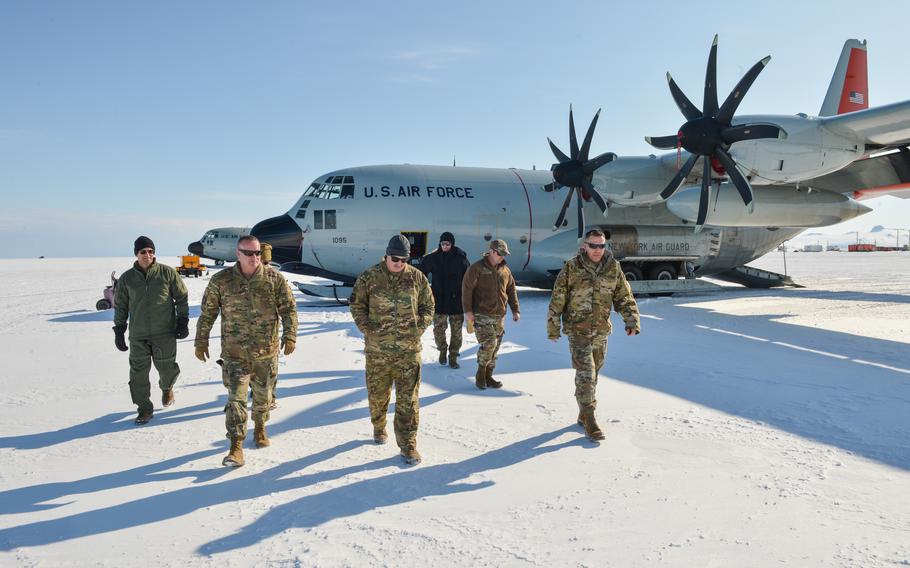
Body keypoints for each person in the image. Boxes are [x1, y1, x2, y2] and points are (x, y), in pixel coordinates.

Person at [194, 235, 298, 467]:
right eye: (249, 253)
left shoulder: (273, 279)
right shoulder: (222, 281)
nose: (254, 258)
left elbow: (289, 309)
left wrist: (290, 334)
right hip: (235, 354)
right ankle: (236, 447)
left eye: (258, 253)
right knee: (236, 401)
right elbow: (208, 312)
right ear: (238, 253)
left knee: (263, 399)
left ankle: (260, 427)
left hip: (266, 353)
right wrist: (201, 340)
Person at [546, 229, 641, 442]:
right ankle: (590, 419)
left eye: (601, 246)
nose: (598, 250)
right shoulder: (572, 267)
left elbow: (624, 296)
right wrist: (553, 329)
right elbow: (557, 299)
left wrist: (631, 321)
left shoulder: (613, 268)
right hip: (577, 331)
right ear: (584, 246)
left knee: (595, 372)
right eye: (593, 245)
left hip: (600, 331)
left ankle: (583, 410)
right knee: (586, 374)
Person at [349, 234, 434, 465]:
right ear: (386, 254)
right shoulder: (370, 277)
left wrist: (420, 326)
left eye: (404, 259)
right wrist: (367, 329)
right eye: (395, 258)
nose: (399, 263)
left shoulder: (417, 278)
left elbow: (429, 305)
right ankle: (378, 425)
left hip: (409, 352)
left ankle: (408, 446)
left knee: (409, 401)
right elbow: (356, 304)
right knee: (378, 397)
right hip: (378, 353)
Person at [113, 236, 189, 425]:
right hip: (138, 335)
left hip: (164, 333)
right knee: (138, 374)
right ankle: (144, 409)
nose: (148, 255)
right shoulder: (127, 278)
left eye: (151, 251)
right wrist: (119, 329)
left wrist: (183, 321)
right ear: (136, 254)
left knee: (166, 369)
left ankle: (167, 387)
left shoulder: (167, 273)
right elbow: (121, 305)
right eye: (143, 252)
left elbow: (181, 298)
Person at [461, 239, 520, 390]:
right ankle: (480, 373)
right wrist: (468, 311)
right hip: (481, 314)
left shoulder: (505, 270)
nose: (502, 257)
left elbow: (511, 290)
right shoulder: (477, 268)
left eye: (504, 254)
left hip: (499, 315)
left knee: (496, 347)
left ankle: (489, 375)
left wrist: (515, 309)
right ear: (492, 251)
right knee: (489, 344)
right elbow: (467, 290)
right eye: (500, 254)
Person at [420, 231, 470, 369]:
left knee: (457, 332)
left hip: (456, 302)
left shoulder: (461, 258)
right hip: (439, 301)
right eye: (442, 244)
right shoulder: (433, 258)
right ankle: (442, 350)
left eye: (447, 244)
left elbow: (469, 279)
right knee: (438, 330)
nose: (445, 246)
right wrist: (425, 291)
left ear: (452, 244)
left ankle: (453, 356)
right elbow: (420, 272)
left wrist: (470, 298)